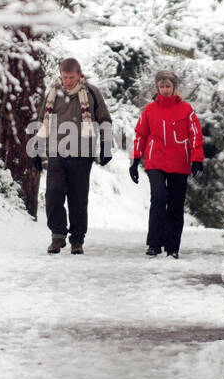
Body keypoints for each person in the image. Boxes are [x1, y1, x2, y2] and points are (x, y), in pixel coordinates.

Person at [30, 57, 113, 254]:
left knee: (78, 198)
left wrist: (106, 145)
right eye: (64, 77)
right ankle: (57, 236)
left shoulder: (91, 92)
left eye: (71, 77)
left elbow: (104, 119)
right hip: (56, 151)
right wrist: (36, 149)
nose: (67, 81)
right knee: (53, 195)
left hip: (82, 153)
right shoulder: (53, 93)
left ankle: (77, 239)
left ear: (79, 74)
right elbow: (42, 121)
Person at [129, 70, 204, 258]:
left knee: (176, 204)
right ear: (157, 87)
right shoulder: (149, 110)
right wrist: (135, 158)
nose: (164, 90)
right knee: (159, 197)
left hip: (180, 161)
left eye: (168, 86)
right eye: (161, 86)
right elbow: (140, 134)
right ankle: (154, 244)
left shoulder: (186, 110)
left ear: (174, 87)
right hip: (155, 160)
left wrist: (197, 160)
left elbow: (195, 135)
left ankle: (172, 247)